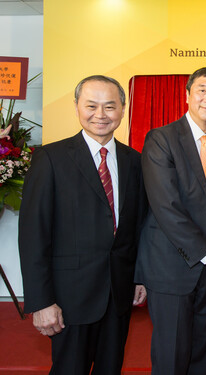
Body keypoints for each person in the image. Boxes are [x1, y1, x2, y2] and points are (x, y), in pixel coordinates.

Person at [18, 75, 147, 374]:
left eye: (109, 106)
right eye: (91, 105)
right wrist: (41, 301)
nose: (100, 115)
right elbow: (33, 235)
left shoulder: (134, 161)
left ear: (123, 110)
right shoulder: (50, 158)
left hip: (118, 295)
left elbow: (138, 227)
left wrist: (140, 277)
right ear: (76, 106)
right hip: (68, 298)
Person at [135, 67, 206, 374]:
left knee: (203, 354)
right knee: (172, 357)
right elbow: (167, 207)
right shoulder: (161, 139)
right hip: (173, 267)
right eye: (202, 90)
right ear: (187, 95)